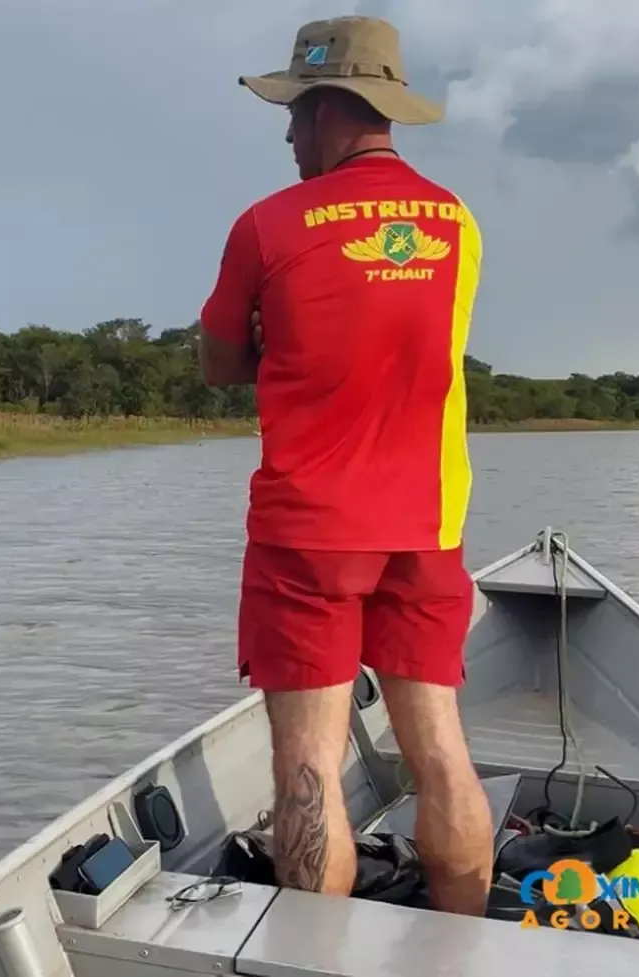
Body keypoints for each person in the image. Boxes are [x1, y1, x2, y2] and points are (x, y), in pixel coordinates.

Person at [198, 16, 494, 915]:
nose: (288, 135)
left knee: (308, 765)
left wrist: (275, 341)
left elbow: (219, 363)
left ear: (328, 109)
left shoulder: (266, 225)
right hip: (428, 525)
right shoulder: (457, 223)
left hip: (309, 534)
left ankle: (319, 958)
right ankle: (469, 946)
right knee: (441, 751)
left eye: (294, 115)